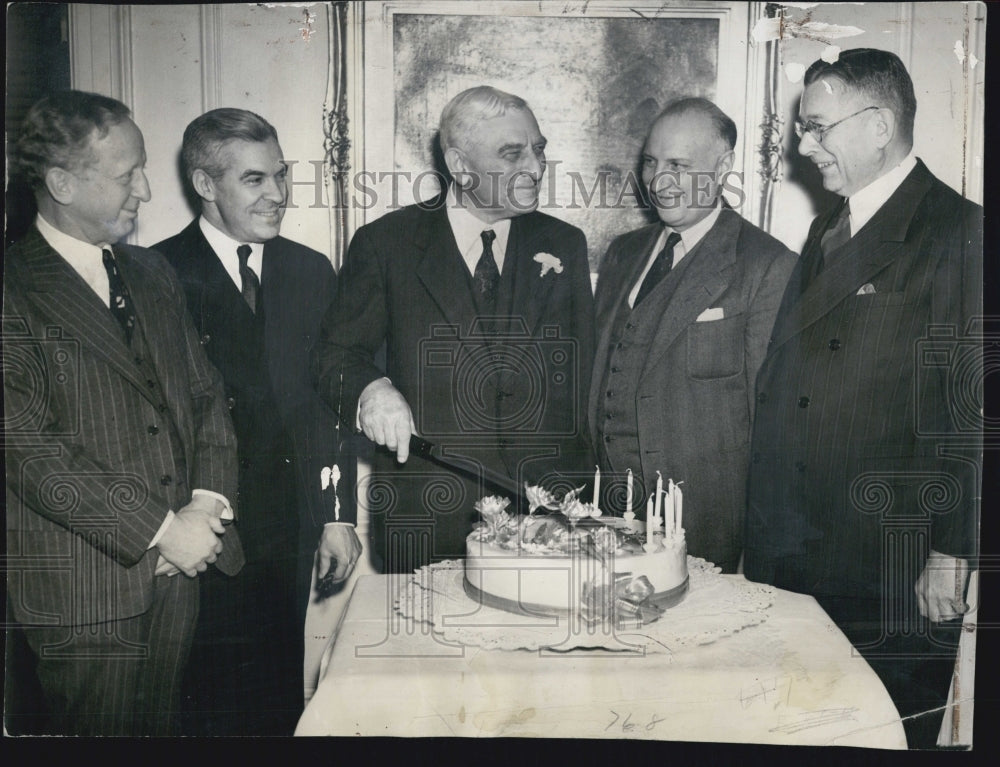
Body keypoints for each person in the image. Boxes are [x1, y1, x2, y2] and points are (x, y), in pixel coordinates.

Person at [743, 48, 982, 748]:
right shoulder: (830, 226)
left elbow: (973, 408)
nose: (802, 146)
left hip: (888, 560)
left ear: (878, 124)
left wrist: (953, 550)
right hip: (797, 547)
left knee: (879, 732)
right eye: (800, 129)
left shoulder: (960, 232)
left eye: (817, 127)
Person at [3, 90, 243, 736]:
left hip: (177, 572)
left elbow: (205, 394)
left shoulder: (152, 270)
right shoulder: (13, 287)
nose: (145, 190)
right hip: (84, 590)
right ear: (60, 182)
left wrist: (206, 503)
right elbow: (28, 449)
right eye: (126, 174)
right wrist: (162, 528)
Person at [311, 85, 596, 574]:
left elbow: (584, 381)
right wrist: (371, 388)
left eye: (539, 149)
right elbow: (333, 356)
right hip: (426, 516)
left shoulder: (564, 244)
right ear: (461, 167)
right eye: (513, 153)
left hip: (546, 516)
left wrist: (572, 500)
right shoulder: (386, 244)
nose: (536, 166)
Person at [153, 108, 358, 735]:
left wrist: (337, 514)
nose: (278, 196)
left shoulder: (310, 270)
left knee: (276, 702)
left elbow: (328, 407)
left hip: (292, 528)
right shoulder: (155, 273)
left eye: (281, 175)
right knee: (204, 708)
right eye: (254, 180)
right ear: (205, 184)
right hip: (204, 536)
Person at [590, 98, 797, 572]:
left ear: (723, 167)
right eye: (651, 162)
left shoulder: (767, 265)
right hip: (605, 516)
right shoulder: (623, 253)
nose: (659, 181)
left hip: (706, 526)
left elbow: (774, 425)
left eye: (679, 165)